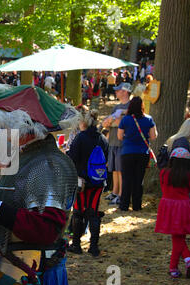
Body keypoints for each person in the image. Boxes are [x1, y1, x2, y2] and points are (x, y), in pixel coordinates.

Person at [0, 84, 79, 285]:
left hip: (30, 280)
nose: (0, 131)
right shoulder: (25, 157)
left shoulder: (48, 164)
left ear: (22, 126)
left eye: (4, 125)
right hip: (7, 274)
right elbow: (11, 214)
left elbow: (47, 229)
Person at [66, 109, 109, 256]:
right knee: (94, 213)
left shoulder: (80, 138)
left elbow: (72, 158)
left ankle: (76, 245)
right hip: (97, 182)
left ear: (83, 122)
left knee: (78, 212)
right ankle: (94, 247)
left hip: (81, 182)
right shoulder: (102, 138)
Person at [154, 147, 190, 278]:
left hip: (168, 207)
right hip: (184, 207)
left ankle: (176, 266)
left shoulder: (164, 173)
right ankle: (176, 266)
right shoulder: (187, 175)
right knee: (179, 237)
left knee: (177, 237)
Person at [117, 96, 157, 211]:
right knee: (138, 180)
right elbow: (153, 136)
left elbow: (119, 136)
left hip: (127, 152)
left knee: (127, 179)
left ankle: (124, 205)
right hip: (142, 152)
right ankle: (136, 206)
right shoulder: (148, 119)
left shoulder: (125, 119)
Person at [102, 82, 132, 206]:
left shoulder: (131, 106)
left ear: (125, 91)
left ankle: (121, 194)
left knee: (120, 170)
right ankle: (114, 192)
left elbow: (123, 123)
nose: (116, 92)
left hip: (122, 143)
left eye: (118, 90)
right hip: (113, 141)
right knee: (114, 169)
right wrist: (114, 121)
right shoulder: (116, 107)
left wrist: (114, 121)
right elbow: (106, 123)